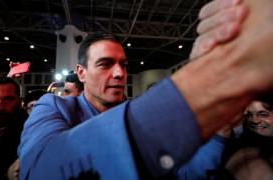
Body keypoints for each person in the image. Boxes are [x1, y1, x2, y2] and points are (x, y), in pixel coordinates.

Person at [19, 0, 273, 179]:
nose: (119, 73)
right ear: (81, 71)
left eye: (123, 64)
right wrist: (224, 69)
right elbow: (41, 170)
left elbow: (183, 174)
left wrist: (220, 130)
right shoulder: (52, 106)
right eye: (105, 64)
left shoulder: (138, 110)